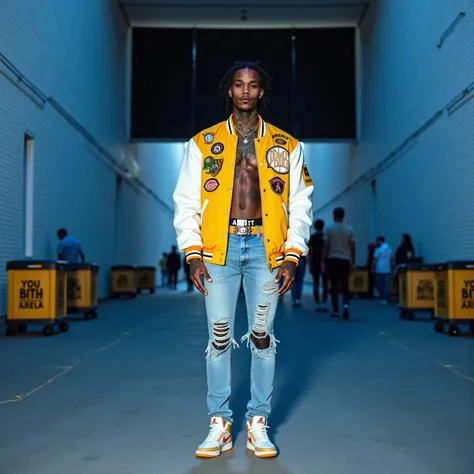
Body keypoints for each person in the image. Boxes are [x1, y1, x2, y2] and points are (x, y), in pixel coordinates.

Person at [173, 62, 313, 459]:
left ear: (262, 92)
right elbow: (186, 202)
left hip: (266, 250)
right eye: (239, 85)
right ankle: (219, 423)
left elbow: (300, 204)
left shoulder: (287, 145)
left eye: (253, 85)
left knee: (262, 338)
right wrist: (192, 253)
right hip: (220, 248)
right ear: (229, 91)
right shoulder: (203, 143)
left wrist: (292, 254)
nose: (246, 91)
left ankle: (258, 423)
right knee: (219, 338)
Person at [321, 207, 355, 320]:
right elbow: (352, 247)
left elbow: (325, 246)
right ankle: (346, 306)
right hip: (345, 260)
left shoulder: (329, 229)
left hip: (332, 259)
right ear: (343, 216)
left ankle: (335, 311)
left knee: (334, 286)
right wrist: (353, 263)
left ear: (334, 215)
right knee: (345, 285)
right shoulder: (349, 229)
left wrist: (323, 262)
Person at [308, 219, 328, 311]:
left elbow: (310, 252)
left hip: (315, 262)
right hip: (325, 263)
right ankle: (324, 303)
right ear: (323, 227)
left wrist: (310, 264)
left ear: (315, 227)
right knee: (325, 283)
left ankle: (317, 303)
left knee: (316, 283)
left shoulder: (312, 238)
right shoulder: (326, 237)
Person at [372, 236, 394, 305]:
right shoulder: (390, 249)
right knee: (386, 285)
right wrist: (391, 267)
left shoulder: (378, 249)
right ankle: (386, 299)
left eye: (377, 241)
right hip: (387, 269)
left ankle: (382, 297)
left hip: (379, 269)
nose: (377, 242)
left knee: (379, 284)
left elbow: (375, 259)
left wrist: (372, 267)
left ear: (380, 241)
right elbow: (391, 259)